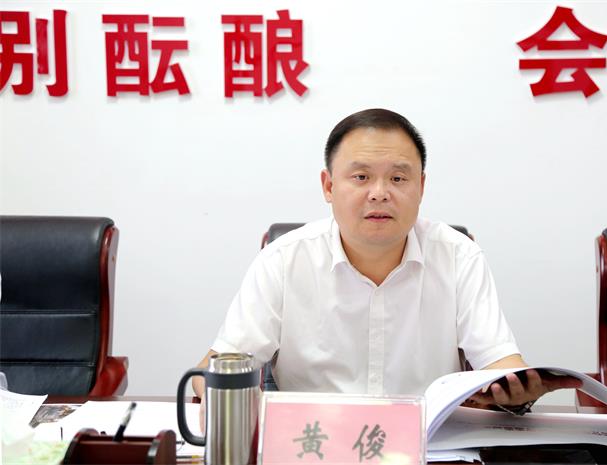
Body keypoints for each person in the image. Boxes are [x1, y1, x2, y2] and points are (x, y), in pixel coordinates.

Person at [193, 108, 579, 412]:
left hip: (429, 447)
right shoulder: (283, 260)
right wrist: (234, 404)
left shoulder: (458, 256)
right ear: (329, 186)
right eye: (361, 177)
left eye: (398, 179)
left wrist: (516, 391)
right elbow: (212, 371)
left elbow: (500, 363)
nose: (379, 193)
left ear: (421, 186)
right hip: (315, 446)